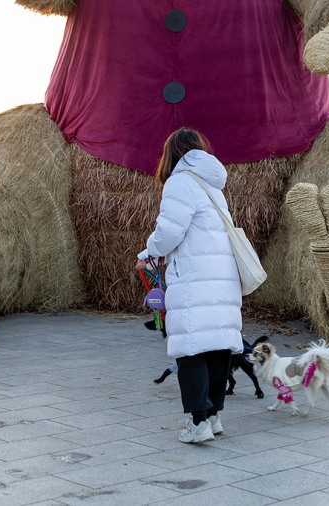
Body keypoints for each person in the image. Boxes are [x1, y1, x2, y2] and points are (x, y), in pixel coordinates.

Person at [137, 128, 243, 444]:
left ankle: (198, 424)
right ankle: (213, 416)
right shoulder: (212, 187)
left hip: (195, 278)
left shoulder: (179, 183)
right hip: (222, 278)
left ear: (171, 155)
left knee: (192, 347)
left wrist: (147, 252)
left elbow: (170, 233)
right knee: (218, 344)